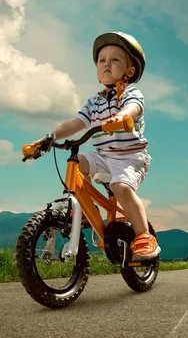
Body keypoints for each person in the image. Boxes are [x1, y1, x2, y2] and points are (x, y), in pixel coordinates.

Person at [30, 31, 160, 261]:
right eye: (102, 60)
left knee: (121, 188)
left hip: (130, 158)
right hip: (103, 156)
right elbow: (76, 123)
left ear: (129, 71)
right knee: (76, 162)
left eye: (115, 59)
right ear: (98, 71)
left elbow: (134, 108)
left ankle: (144, 237)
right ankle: (82, 208)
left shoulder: (131, 93)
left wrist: (122, 116)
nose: (107, 64)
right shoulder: (94, 102)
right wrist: (50, 137)